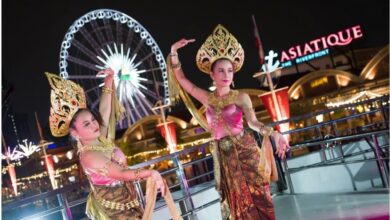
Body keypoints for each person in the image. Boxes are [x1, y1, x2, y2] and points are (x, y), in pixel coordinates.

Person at [168, 25, 290, 220]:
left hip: (245, 152)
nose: (226, 75)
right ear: (212, 74)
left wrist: (273, 133)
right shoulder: (207, 98)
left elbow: (253, 122)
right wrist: (174, 52)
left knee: (258, 199)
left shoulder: (241, 97)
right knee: (236, 205)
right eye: (221, 71)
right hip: (224, 158)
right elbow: (181, 79)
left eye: (230, 71)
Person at [46, 70, 180, 220]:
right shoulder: (89, 156)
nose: (94, 124)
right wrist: (150, 173)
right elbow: (122, 174)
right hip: (117, 214)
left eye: (92, 119)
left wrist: (109, 80)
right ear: (75, 133)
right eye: (86, 124)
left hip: (130, 204)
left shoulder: (99, 139)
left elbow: (104, 110)